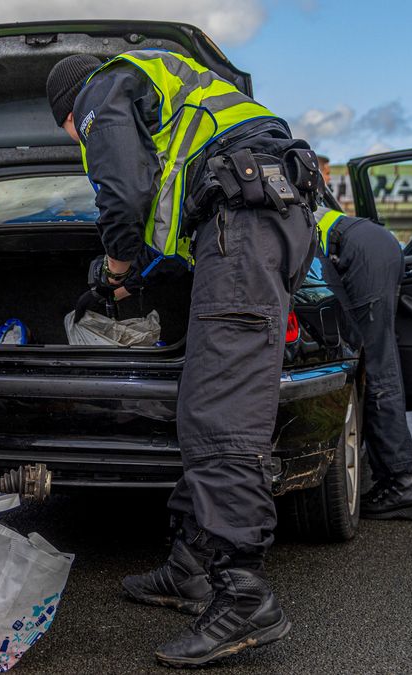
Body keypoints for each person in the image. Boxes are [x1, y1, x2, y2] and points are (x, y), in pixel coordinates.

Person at [46, 51, 318, 667]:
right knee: (207, 399)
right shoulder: (166, 84)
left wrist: (117, 267)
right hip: (263, 216)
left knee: (221, 413)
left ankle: (244, 596)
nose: (76, 142)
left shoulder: (98, 89)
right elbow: (165, 193)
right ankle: (190, 567)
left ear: (67, 110)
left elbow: (124, 189)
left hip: (244, 226)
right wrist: (142, 267)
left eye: (70, 135)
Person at [313, 202, 412, 519]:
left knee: (377, 368)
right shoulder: (299, 196)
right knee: (376, 362)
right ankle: (396, 479)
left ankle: (402, 483)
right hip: (374, 243)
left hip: (362, 253)